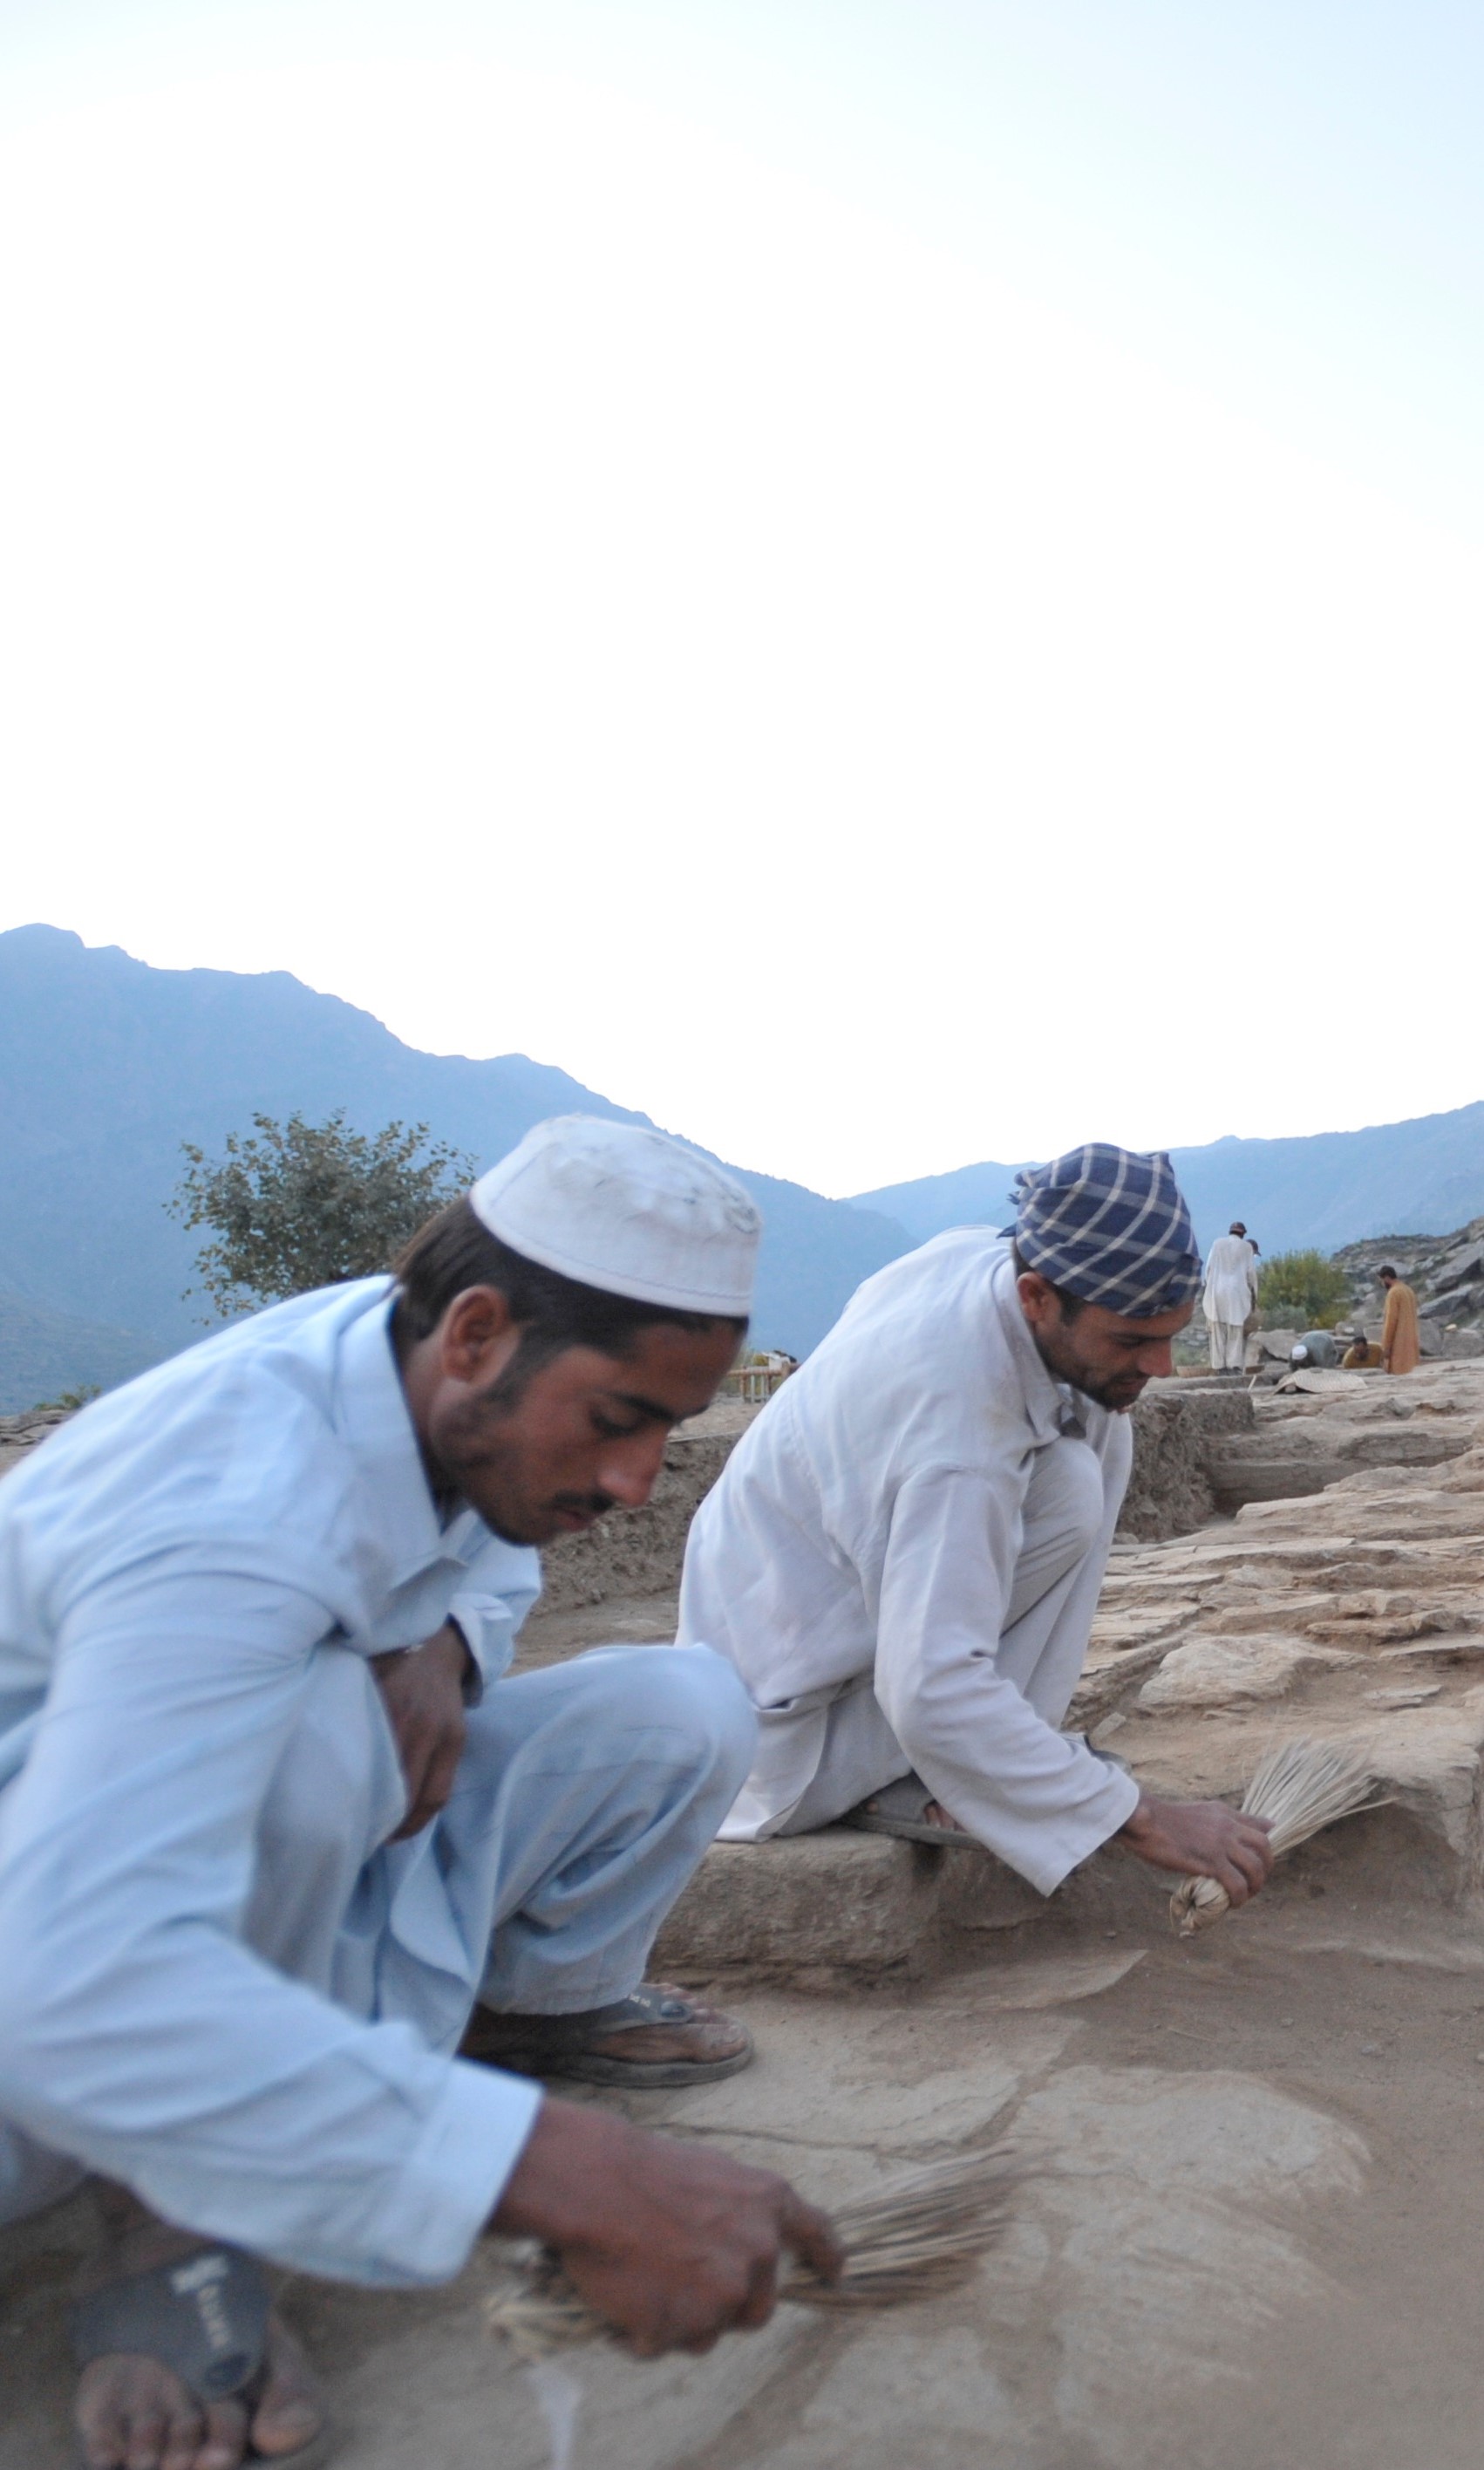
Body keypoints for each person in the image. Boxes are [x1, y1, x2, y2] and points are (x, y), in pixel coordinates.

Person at [0, 1117, 842, 2470]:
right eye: (616, 1421)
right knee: (321, 1738)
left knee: (685, 1706)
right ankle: (167, 2223)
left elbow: (490, 1558)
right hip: (44, 1980)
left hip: (296, 1868)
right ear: (477, 1334)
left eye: (666, 1430)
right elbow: (72, 1979)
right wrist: (559, 2172)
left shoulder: (400, 1359)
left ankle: (512, 2018)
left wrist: (444, 1645)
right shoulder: (226, 1508)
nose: (637, 1484)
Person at [677, 1143, 1275, 1909]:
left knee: (1092, 1440)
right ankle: (959, 1770)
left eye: (1172, 1334)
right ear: (1036, 1297)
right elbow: (929, 1689)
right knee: (1075, 1472)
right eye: (1131, 1339)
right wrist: (1137, 1817)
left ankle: (995, 1760)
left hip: (776, 1665)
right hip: (778, 1749)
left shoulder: (976, 1262)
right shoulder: (958, 1438)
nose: (1160, 1365)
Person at [1201, 1220, 1260, 1374]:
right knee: (1235, 1328)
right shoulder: (1247, 1247)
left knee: (1217, 1328)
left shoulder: (1217, 1244)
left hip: (1217, 1290)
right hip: (1236, 1291)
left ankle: (1219, 1366)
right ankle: (1233, 1365)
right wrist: (1254, 1293)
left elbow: (1208, 1268)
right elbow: (1250, 1273)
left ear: (1230, 1231)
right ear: (1243, 1234)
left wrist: (1209, 1286)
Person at [1378, 1265, 1421, 1375]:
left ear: (1386, 1278)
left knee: (1399, 1373)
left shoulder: (1394, 1293)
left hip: (1399, 1343)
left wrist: (1386, 1346)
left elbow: (1391, 1321)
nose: (1382, 1284)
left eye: (1382, 1281)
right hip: (1412, 1339)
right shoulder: (1408, 1290)